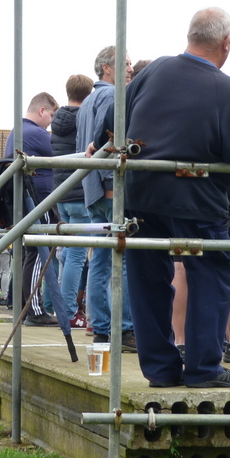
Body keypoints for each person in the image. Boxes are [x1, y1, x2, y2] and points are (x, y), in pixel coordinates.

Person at [124, 7, 230, 388]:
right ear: (226, 43)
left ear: (190, 36)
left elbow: (114, 121)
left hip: (140, 193)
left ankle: (160, 369)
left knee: (147, 278)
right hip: (197, 200)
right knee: (212, 273)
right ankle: (204, 368)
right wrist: (222, 172)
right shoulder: (226, 88)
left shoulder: (152, 72)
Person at [77, 45, 136, 351]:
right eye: (125, 63)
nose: (131, 69)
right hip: (109, 186)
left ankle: (101, 327)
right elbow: (103, 142)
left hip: (91, 189)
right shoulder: (113, 95)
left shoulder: (87, 100)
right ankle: (123, 329)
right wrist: (110, 182)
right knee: (120, 259)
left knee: (99, 259)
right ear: (107, 68)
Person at [4, 92, 60, 327]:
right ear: (42, 111)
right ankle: (35, 311)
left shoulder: (17, 132)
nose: (51, 123)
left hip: (25, 200)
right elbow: (63, 152)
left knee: (30, 254)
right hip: (38, 200)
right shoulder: (35, 133)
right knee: (39, 252)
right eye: (52, 116)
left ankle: (26, 308)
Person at [51, 73, 94, 328]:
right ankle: (68, 312)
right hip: (79, 192)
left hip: (62, 193)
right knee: (77, 255)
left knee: (66, 253)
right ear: (89, 95)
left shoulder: (57, 121)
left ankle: (55, 306)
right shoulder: (84, 120)